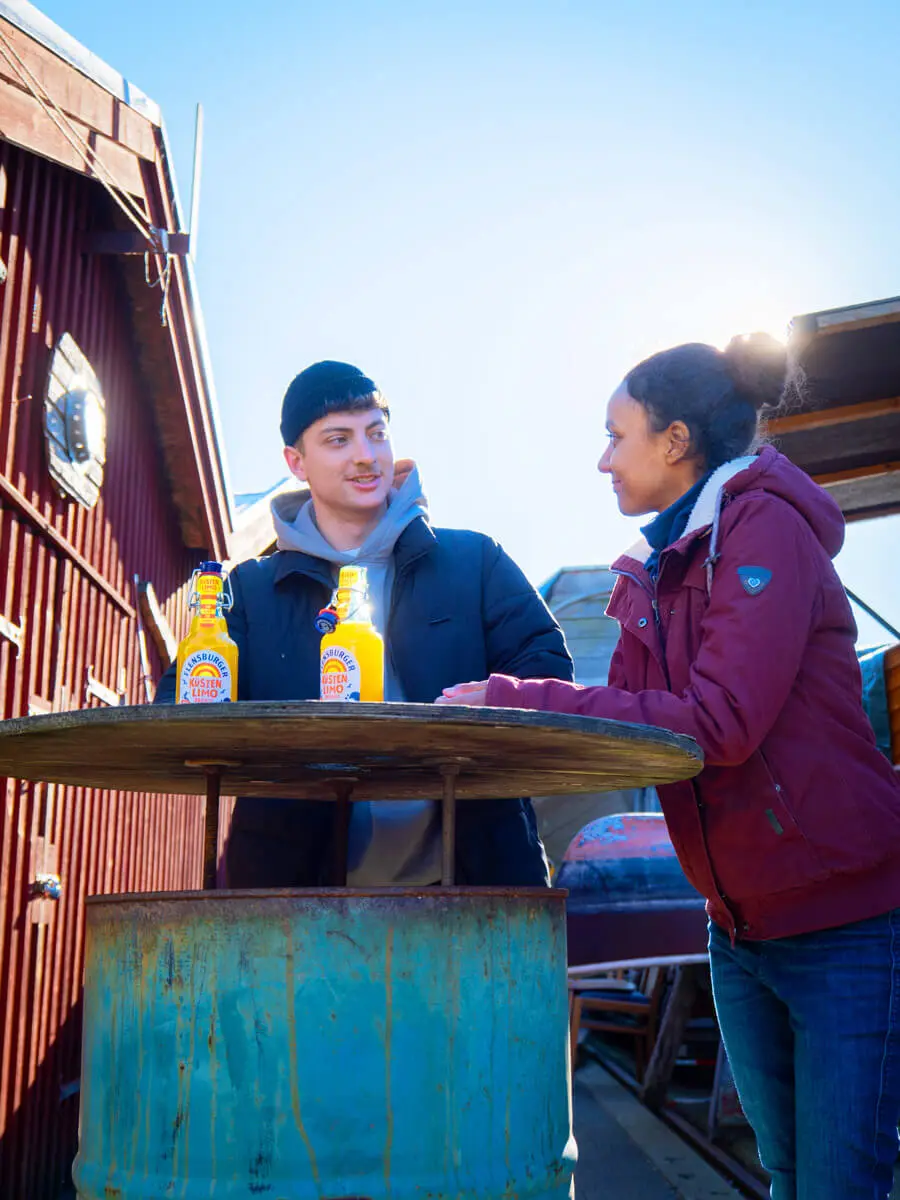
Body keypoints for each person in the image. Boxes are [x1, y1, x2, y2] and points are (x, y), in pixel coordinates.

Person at [437, 334, 900, 1199]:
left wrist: (516, 696)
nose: (603, 459)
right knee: (792, 1175)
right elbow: (630, 737)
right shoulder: (655, 570)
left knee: (842, 1186)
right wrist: (493, 733)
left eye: (617, 435)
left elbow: (717, 724)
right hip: (740, 931)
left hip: (845, 923)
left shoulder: (764, 528)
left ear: (676, 440)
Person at [156, 359, 573, 888]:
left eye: (376, 433)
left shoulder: (475, 561)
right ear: (297, 461)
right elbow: (181, 705)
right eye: (337, 440)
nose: (365, 456)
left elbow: (548, 671)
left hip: (475, 884)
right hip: (290, 895)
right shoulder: (250, 591)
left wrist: (493, 699)